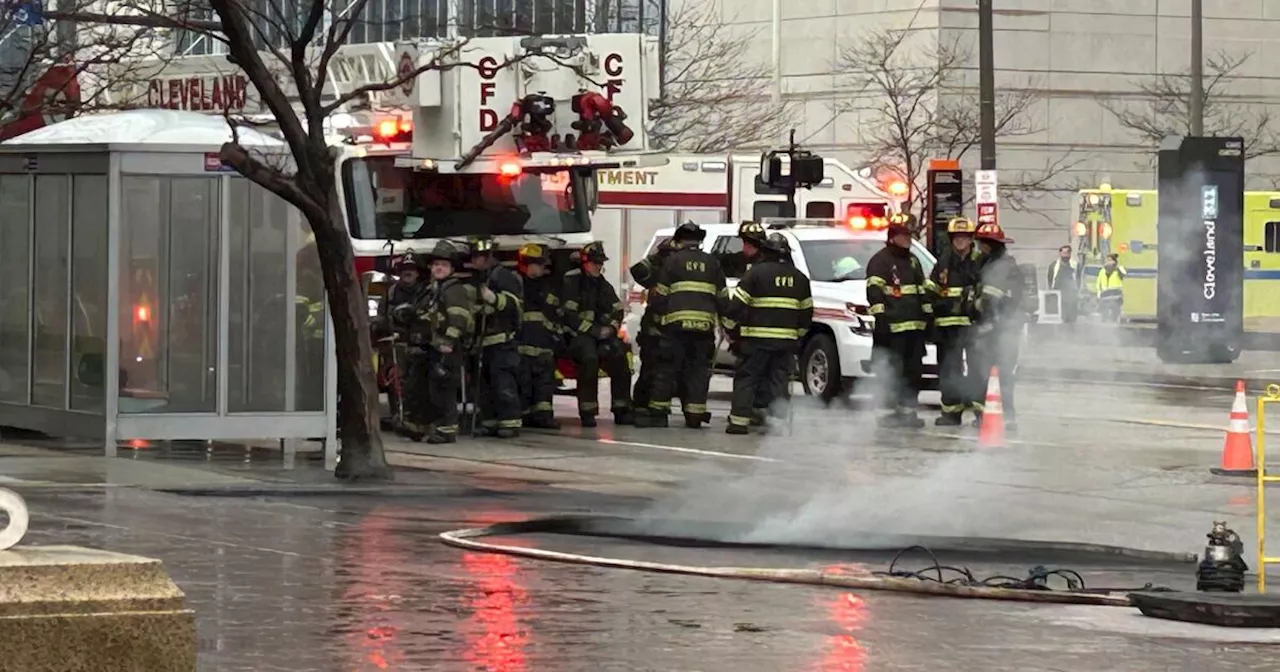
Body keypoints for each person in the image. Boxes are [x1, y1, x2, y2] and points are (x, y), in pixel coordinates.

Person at [722, 227, 812, 434]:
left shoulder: (755, 274)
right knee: (778, 380)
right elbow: (806, 313)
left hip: (755, 341)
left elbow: (737, 306)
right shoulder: (800, 279)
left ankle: (738, 422)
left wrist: (730, 330)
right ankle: (777, 423)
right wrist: (796, 337)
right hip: (785, 343)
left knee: (748, 378)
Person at [647, 222, 726, 429]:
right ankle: (694, 416)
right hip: (703, 330)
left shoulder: (672, 262)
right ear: (699, 241)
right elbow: (723, 298)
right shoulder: (713, 263)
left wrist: (659, 320)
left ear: (680, 240)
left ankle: (659, 414)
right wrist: (727, 326)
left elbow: (660, 296)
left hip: (675, 329)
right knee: (698, 372)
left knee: (667, 370)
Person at [865, 214, 931, 428]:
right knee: (892, 372)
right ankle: (886, 414)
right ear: (893, 236)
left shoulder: (913, 261)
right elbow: (874, 292)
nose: (908, 240)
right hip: (892, 330)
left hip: (915, 330)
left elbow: (922, 290)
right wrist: (880, 318)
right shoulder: (880, 261)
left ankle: (908, 412)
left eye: (910, 235)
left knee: (913, 373)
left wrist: (928, 316)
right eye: (904, 235)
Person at [561, 241, 632, 427]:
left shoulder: (603, 285)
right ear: (585, 262)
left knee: (619, 355)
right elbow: (568, 315)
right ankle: (588, 412)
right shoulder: (572, 281)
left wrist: (611, 328)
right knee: (589, 359)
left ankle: (622, 409)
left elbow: (617, 309)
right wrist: (594, 331)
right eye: (595, 262)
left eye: (601, 263)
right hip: (577, 335)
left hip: (602, 335)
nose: (599, 266)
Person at [415, 240, 478, 444]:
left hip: (449, 348)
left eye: (443, 265)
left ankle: (448, 430)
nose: (438, 268)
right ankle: (441, 427)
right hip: (437, 346)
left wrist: (449, 341)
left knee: (445, 390)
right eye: (435, 265)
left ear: (451, 269)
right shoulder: (436, 289)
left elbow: (459, 318)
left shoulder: (453, 289)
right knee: (436, 389)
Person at [463, 237, 524, 438]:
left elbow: (514, 306)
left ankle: (510, 422)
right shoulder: (479, 277)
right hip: (483, 341)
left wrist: (493, 299)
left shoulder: (503, 276)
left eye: (482, 256)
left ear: (490, 256)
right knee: (483, 385)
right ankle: (488, 421)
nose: (478, 260)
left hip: (501, 341)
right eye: (475, 256)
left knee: (503, 383)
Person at [971, 222, 1027, 431]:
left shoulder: (1000, 267)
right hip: (1001, 328)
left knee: (999, 373)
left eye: (984, 244)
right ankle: (997, 415)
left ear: (992, 246)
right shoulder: (992, 264)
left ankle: (1006, 416)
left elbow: (991, 300)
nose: (980, 248)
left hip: (1001, 330)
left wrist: (985, 319)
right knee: (993, 373)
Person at [928, 217, 983, 426]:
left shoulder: (979, 262)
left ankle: (981, 414)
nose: (961, 241)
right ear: (951, 239)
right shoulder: (942, 263)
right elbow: (931, 291)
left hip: (973, 327)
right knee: (950, 371)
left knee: (977, 369)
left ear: (971, 239)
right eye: (957, 237)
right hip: (947, 328)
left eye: (965, 237)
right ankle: (951, 413)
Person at [629, 237, 678, 427]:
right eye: (667, 255)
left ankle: (657, 406)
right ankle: (641, 405)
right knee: (650, 368)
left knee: (666, 372)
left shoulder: (678, 273)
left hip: (671, 329)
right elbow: (637, 269)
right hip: (653, 330)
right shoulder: (655, 272)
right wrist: (655, 259)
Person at [515, 243, 562, 430]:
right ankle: (525, 415)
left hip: (544, 344)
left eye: (542, 265)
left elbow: (556, 313)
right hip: (522, 344)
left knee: (545, 383)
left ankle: (544, 417)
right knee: (524, 382)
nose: (541, 268)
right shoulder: (517, 285)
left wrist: (556, 337)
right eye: (537, 264)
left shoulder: (548, 287)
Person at [379, 254, 425, 432]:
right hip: (395, 342)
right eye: (404, 270)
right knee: (395, 377)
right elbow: (381, 315)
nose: (408, 273)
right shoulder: (391, 292)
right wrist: (382, 325)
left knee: (416, 380)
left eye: (411, 270)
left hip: (418, 342)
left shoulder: (425, 291)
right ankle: (397, 413)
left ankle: (415, 415)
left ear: (417, 273)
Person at [1046, 245, 1078, 323]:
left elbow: (1078, 278)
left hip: (1071, 294)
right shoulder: (1054, 265)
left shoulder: (1075, 265)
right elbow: (1050, 278)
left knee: (1071, 317)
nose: (1065, 255)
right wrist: (1051, 290)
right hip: (1057, 293)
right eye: (1064, 253)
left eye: (1067, 253)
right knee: (1059, 316)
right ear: (1060, 253)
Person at [1096, 253, 1125, 323]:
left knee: (1115, 311)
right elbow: (1098, 282)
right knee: (1104, 311)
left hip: (1116, 294)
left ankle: (1114, 320)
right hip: (1105, 294)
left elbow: (1124, 274)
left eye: (1110, 260)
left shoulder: (1119, 269)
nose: (1108, 262)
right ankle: (1104, 321)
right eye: (1107, 260)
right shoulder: (1102, 271)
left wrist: (1117, 267)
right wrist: (1098, 292)